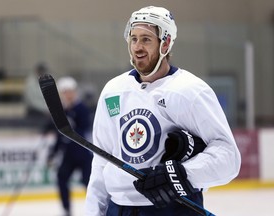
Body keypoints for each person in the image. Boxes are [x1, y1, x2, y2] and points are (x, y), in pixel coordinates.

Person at [84, 6, 241, 216]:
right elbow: (101, 160)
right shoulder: (113, 91)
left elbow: (228, 157)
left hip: (174, 208)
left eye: (146, 39)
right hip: (119, 209)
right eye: (134, 39)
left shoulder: (190, 91)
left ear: (165, 43)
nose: (138, 47)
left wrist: (179, 175)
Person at [46, 76, 93, 216]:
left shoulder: (81, 108)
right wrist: (53, 152)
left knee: (89, 183)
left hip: (83, 153)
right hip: (69, 154)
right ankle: (66, 210)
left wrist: (69, 129)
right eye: (64, 92)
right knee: (61, 178)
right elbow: (60, 136)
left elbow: (83, 129)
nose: (67, 95)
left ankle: (95, 210)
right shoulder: (62, 112)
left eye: (69, 91)